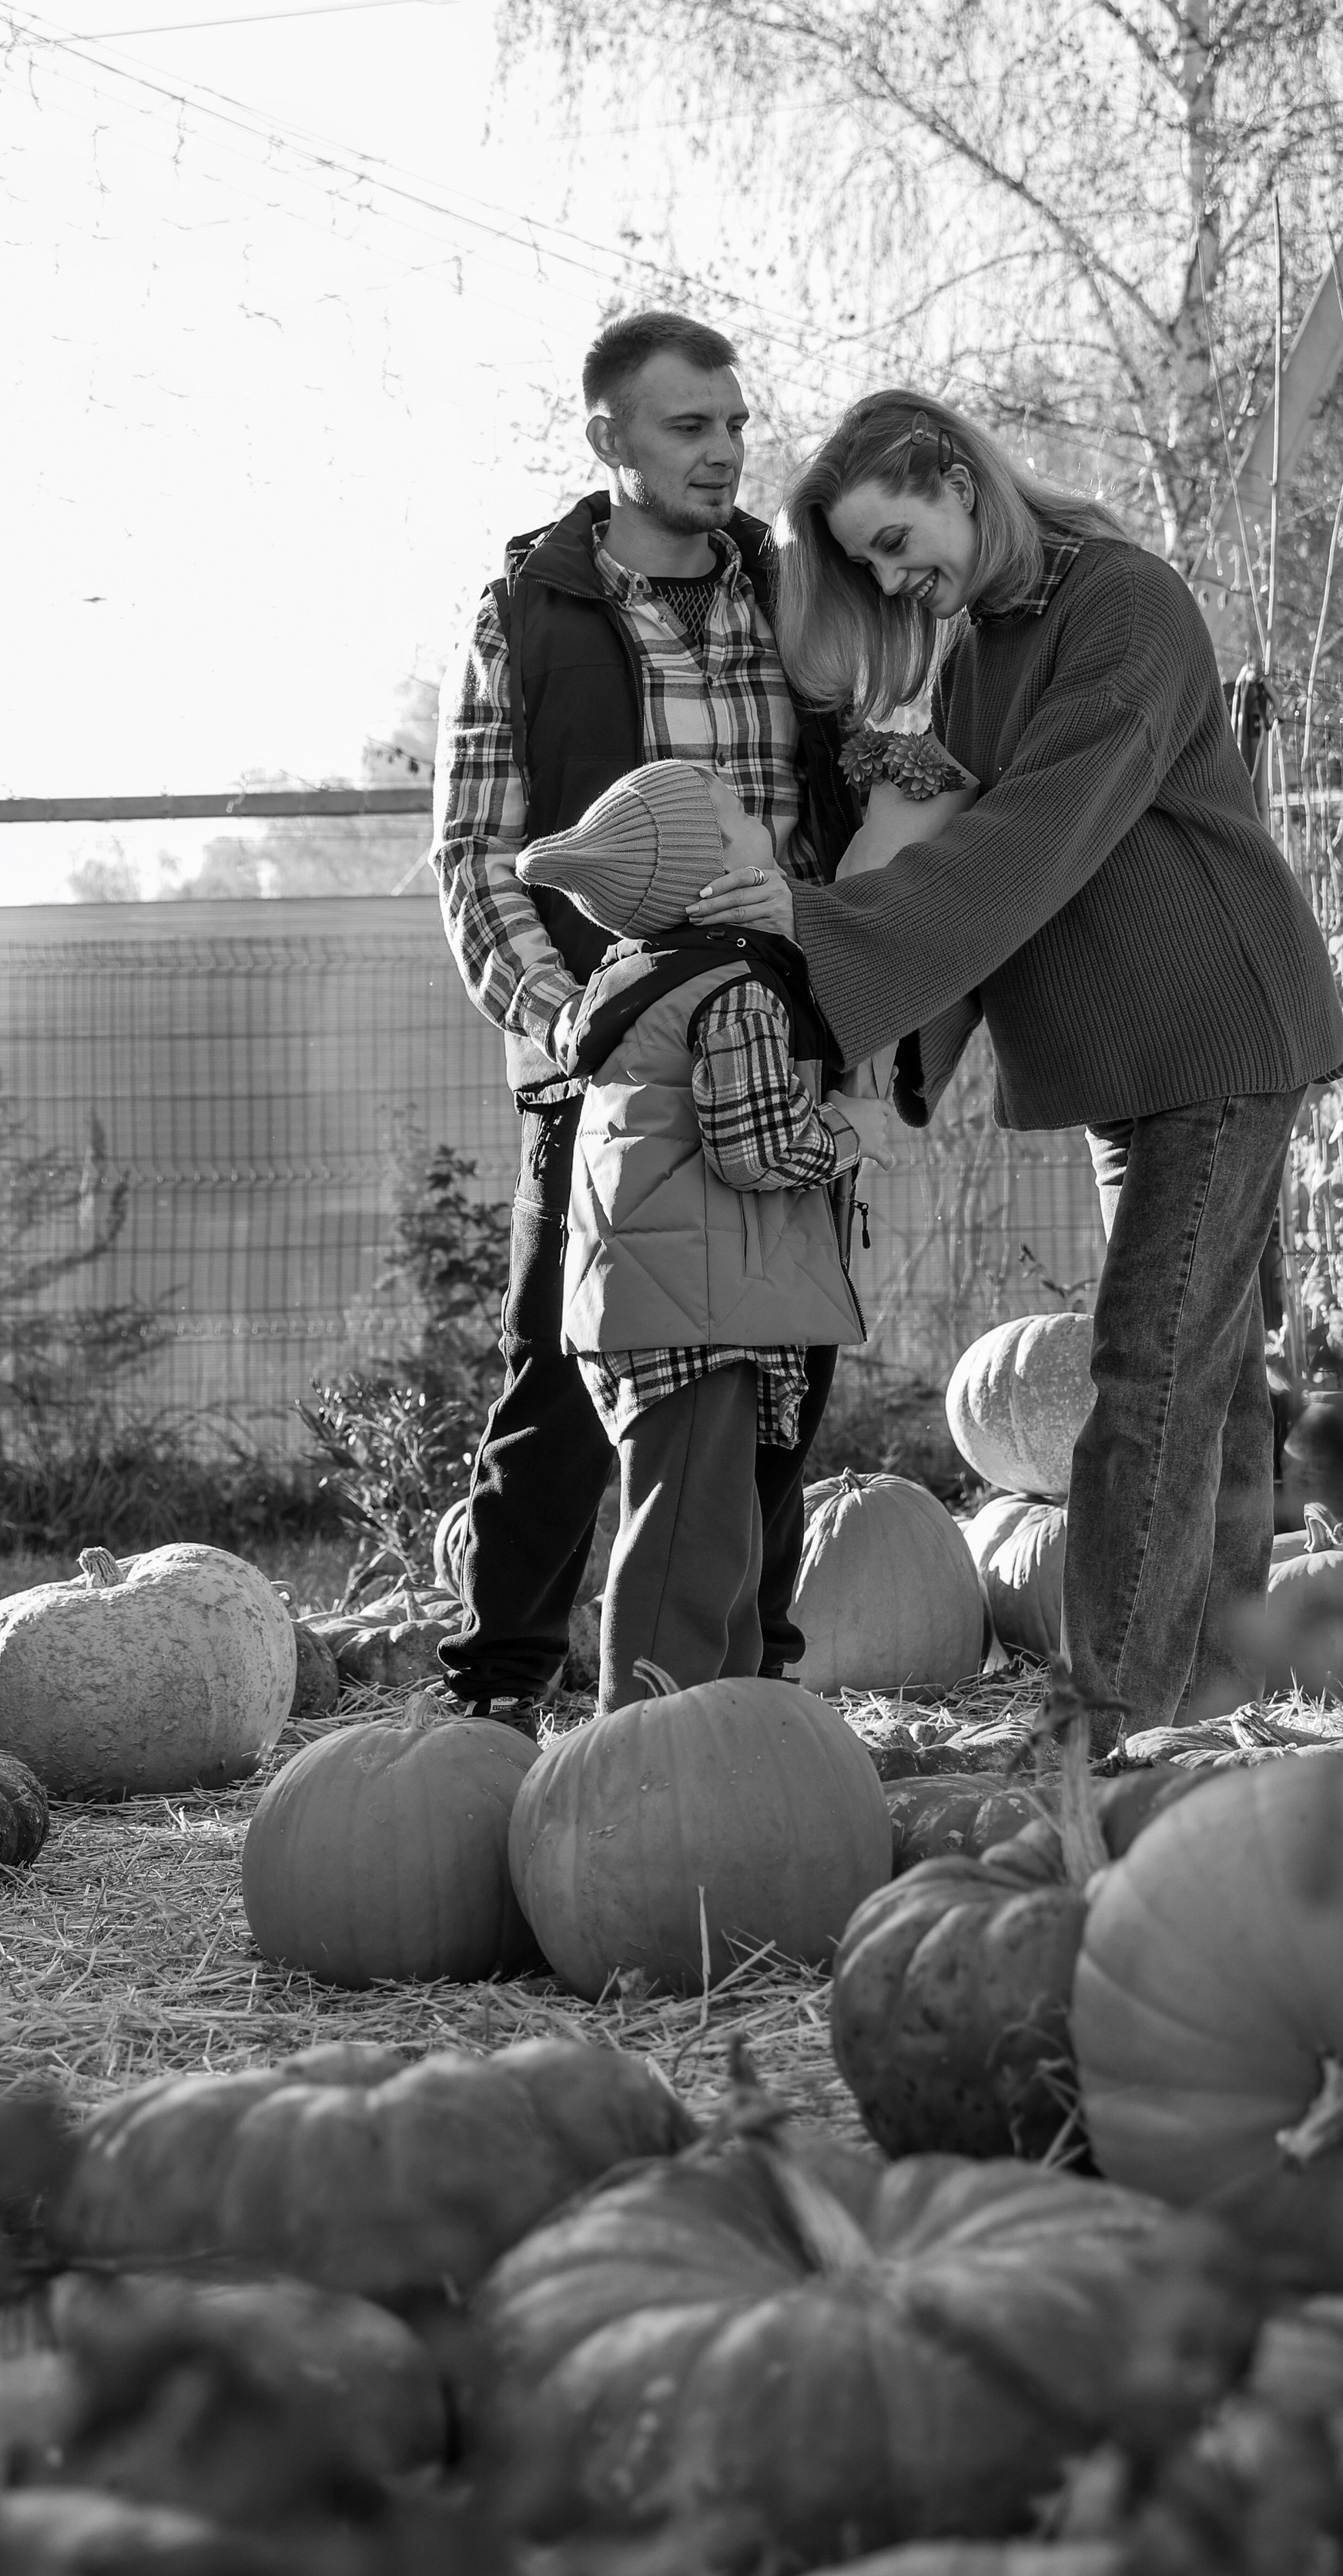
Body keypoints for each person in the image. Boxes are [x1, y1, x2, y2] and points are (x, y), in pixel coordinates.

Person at [690, 391, 1343, 1748]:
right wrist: (853, 1038)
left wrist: (820, 933)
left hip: (1218, 1032)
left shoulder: (1127, 605)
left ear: (955, 475)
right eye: (868, 561)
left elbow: (1031, 843)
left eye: (895, 536)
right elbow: (942, 844)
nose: (891, 575)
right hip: (1134, 1060)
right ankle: (1209, 1704)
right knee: (1204, 1384)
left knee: (1146, 1371)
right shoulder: (982, 656)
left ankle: (1107, 1713)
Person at [429, 310, 861, 1723]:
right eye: (692, 428)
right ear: (609, 437)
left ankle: (757, 1694)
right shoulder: (524, 618)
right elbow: (479, 856)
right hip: (604, 1062)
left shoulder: (795, 597)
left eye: (735, 424)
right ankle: (499, 1688)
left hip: (772, 1038)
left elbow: (855, 803)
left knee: (781, 1373)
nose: (725, 452)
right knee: (559, 1369)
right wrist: (569, 1027)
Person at [514, 759, 879, 1709]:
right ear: (711, 868)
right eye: (744, 821)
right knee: (688, 1541)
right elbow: (756, 1151)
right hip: (703, 1311)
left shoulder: (629, 981)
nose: (766, 831)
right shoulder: (735, 991)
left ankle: (724, 1724)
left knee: (706, 1529)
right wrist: (847, 1134)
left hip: (649, 1301)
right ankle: (648, 1743)